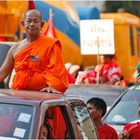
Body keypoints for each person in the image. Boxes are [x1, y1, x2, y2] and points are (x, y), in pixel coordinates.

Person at [0, 10, 69, 93]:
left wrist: (52, 87)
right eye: (29, 21)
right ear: (23, 24)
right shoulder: (15, 48)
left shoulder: (50, 45)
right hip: (19, 95)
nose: (32, 24)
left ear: (42, 25)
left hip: (42, 96)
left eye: (35, 21)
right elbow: (2, 73)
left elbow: (57, 72)